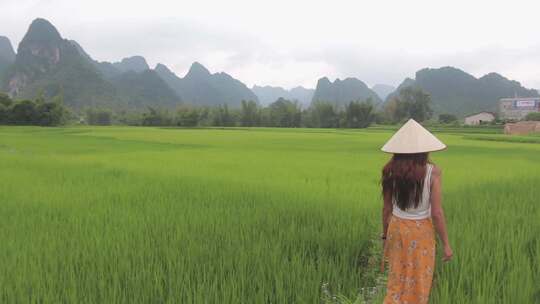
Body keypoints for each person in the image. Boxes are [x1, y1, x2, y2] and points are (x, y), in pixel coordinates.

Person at [380, 119, 453, 304]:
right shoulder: (433, 172)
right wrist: (446, 244)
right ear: (424, 149)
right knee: (420, 276)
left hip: (396, 227)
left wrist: (385, 235)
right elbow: (436, 213)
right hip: (421, 232)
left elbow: (387, 208)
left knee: (397, 276)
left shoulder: (389, 171)